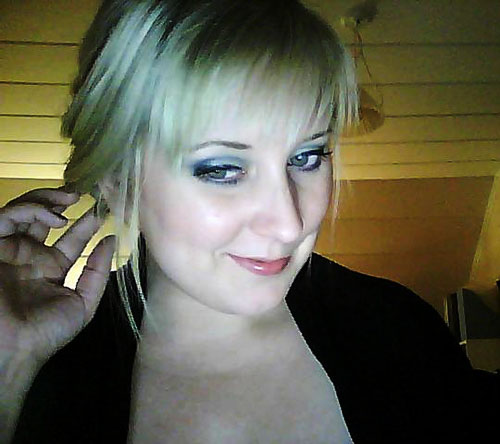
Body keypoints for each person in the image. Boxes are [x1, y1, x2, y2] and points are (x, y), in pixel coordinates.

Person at [0, 0, 497, 442]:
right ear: (116, 181)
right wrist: (10, 365)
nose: (289, 223)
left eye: (307, 157)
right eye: (222, 169)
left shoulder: (396, 330)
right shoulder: (46, 375)